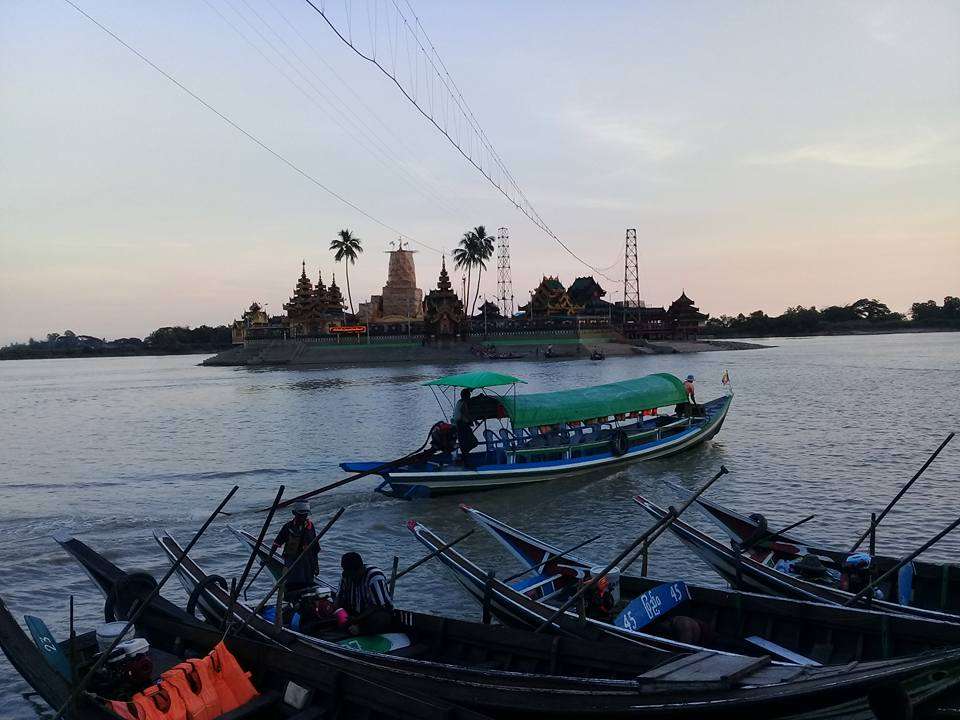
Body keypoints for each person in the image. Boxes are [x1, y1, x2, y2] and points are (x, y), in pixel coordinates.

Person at [336, 552, 393, 635]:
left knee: (379, 619)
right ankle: (352, 628)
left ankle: (361, 630)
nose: (350, 578)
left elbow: (378, 605)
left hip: (373, 613)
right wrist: (338, 611)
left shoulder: (374, 577)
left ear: (360, 569)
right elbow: (339, 597)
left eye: (352, 575)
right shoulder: (346, 576)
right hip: (355, 611)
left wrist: (357, 619)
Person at [270, 501, 319, 596]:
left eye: (305, 515)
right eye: (300, 515)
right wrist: (269, 557)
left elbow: (315, 548)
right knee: (293, 585)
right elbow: (277, 543)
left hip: (307, 562)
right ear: (294, 513)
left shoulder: (310, 526)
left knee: (308, 584)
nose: (303, 517)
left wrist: (316, 565)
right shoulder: (288, 527)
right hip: (292, 561)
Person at [452, 388, 478, 464]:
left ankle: (464, 457)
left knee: (464, 443)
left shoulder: (459, 402)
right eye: (469, 395)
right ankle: (464, 457)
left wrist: (473, 421)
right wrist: (472, 420)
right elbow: (465, 413)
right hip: (461, 425)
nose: (469, 397)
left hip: (458, 425)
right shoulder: (464, 403)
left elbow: (465, 414)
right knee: (473, 442)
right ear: (466, 396)